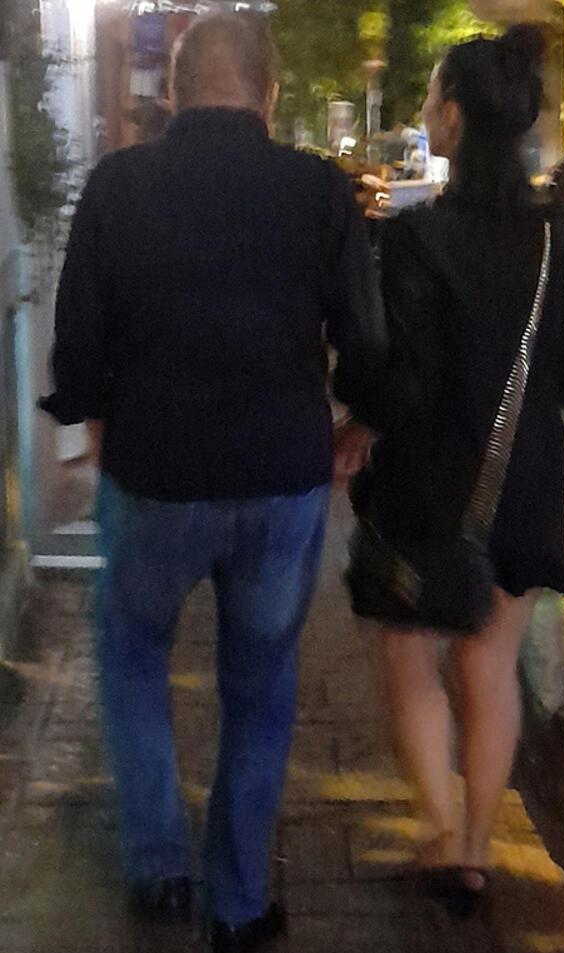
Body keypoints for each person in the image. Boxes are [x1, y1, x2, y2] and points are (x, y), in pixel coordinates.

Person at [40, 13, 385, 953]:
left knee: (130, 651)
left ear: (175, 89)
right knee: (261, 683)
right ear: (269, 93)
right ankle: (236, 903)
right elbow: (367, 341)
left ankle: (158, 867)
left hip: (154, 472)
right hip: (281, 475)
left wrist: (95, 418)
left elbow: (78, 343)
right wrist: (356, 427)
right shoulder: (317, 190)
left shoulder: (118, 185)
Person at [347, 25, 564, 914]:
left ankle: (440, 827)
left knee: (409, 653)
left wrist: (356, 413)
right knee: (491, 666)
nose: (423, 110)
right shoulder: (559, 237)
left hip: (429, 486)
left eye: (429, 97)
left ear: (451, 117)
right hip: (522, 480)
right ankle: (478, 849)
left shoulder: (417, 238)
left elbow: (406, 382)